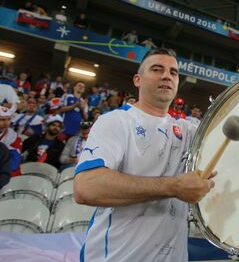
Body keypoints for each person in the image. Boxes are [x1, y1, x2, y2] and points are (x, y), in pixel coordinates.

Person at [73, 48, 214, 262]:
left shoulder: (187, 131)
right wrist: (173, 186)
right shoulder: (116, 121)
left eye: (173, 72)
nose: (167, 75)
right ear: (137, 80)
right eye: (157, 69)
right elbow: (86, 187)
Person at [0, 106, 22, 176]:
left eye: (8, 119)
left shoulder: (13, 137)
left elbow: (14, 163)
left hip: (8, 175)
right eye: (2, 120)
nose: (6, 123)